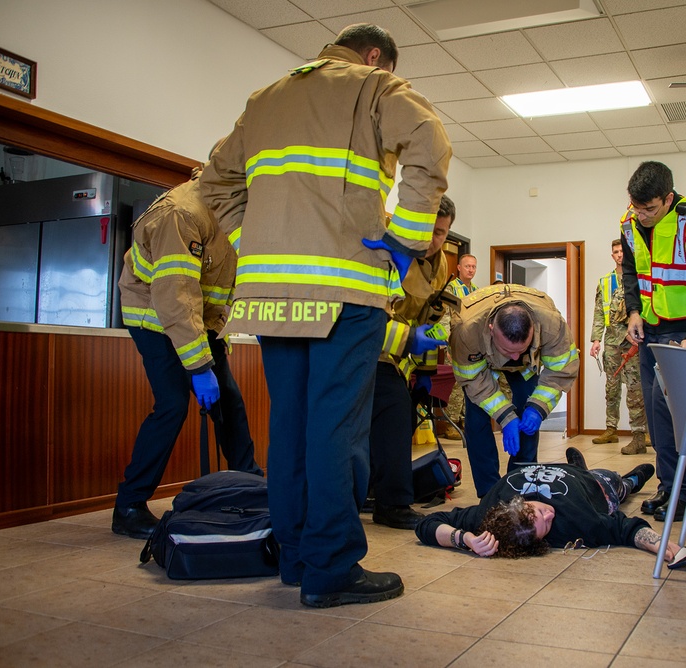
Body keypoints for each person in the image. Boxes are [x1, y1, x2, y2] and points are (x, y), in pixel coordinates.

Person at [200, 23, 452, 608]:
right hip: (343, 290)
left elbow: (214, 184)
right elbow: (430, 142)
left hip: (270, 295)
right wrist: (406, 237)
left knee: (289, 426)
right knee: (336, 429)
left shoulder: (264, 100)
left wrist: (257, 238)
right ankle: (332, 567)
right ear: (374, 57)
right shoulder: (373, 87)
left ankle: (295, 557)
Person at [113, 168, 263, 539]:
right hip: (155, 318)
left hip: (196, 322)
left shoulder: (229, 211)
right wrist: (198, 366)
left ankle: (254, 488)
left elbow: (218, 282)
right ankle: (129, 506)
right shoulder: (181, 214)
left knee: (228, 401)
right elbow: (174, 295)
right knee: (172, 404)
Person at [620, 161, 686, 522]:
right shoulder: (630, 222)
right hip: (650, 329)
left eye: (649, 208)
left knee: (674, 413)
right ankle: (669, 486)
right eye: (637, 207)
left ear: (667, 198)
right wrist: (633, 312)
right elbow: (631, 273)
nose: (642, 215)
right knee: (656, 416)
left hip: (684, 333)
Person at [415, 446, 686, 568]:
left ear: (519, 503)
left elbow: (427, 522)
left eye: (538, 511)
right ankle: (632, 479)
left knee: (589, 473)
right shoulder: (577, 522)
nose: (550, 513)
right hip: (595, 486)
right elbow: (624, 528)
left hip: (562, 471)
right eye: (546, 524)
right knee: (615, 484)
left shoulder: (489, 509)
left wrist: (463, 535)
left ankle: (578, 466)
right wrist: (662, 544)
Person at [368, 195, 456, 530]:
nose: (434, 241)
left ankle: (376, 493)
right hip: (364, 348)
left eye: (442, 233)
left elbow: (430, 315)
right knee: (389, 415)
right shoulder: (383, 252)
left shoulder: (441, 264)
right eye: (429, 230)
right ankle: (392, 504)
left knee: (395, 420)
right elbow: (368, 314)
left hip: (396, 357)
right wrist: (407, 339)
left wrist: (425, 372)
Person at [448, 284, 578, 498]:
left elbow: (561, 371)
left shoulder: (552, 324)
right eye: (509, 350)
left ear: (533, 331)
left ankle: (521, 482)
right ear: (491, 329)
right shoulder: (466, 330)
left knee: (529, 413)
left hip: (528, 366)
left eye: (521, 348)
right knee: (477, 420)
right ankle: (488, 492)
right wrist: (505, 416)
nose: (514, 357)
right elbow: (473, 380)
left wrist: (537, 408)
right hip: (483, 364)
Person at [590, 238, 648, 455]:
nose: (619, 255)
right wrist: (596, 340)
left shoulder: (640, 278)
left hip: (634, 342)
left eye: (622, 251)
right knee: (611, 389)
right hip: (612, 342)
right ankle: (610, 429)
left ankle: (640, 435)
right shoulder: (605, 282)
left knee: (636, 389)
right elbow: (598, 312)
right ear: (612, 255)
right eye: (615, 252)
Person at [440, 253, 478, 441]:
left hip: (473, 344)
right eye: (467, 266)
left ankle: (464, 419)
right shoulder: (451, 288)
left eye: (473, 267)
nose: (471, 270)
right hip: (455, 343)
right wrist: (448, 342)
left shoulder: (477, 291)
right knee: (455, 382)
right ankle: (451, 423)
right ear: (459, 268)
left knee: (471, 381)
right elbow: (445, 316)